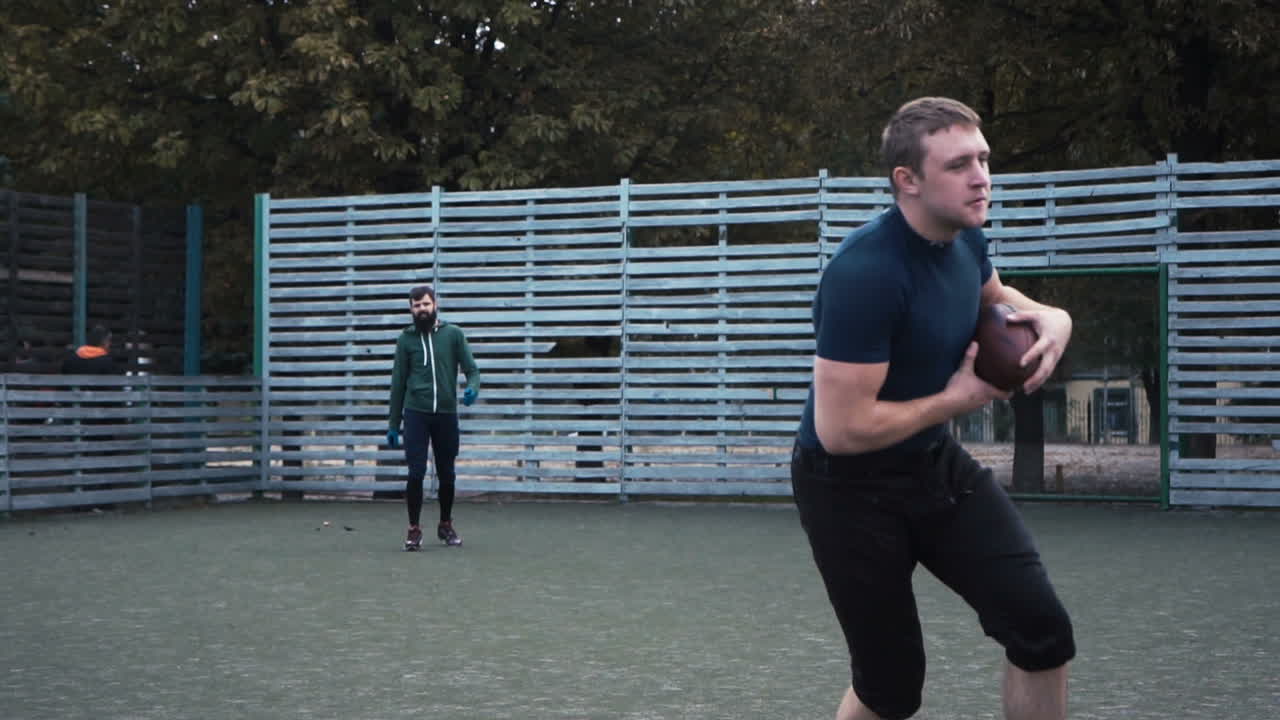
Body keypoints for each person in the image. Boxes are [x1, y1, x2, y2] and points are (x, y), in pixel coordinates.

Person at [790, 97, 1076, 720]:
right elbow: (840, 432)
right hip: (848, 489)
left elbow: (999, 297)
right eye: (958, 165)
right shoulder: (865, 274)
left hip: (932, 464)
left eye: (983, 159)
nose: (981, 176)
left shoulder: (966, 240)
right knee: (890, 686)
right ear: (908, 181)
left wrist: (1056, 316)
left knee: (1042, 631)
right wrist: (960, 399)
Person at [387, 285, 480, 550]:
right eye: (416, 306)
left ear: (435, 304)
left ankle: (446, 525)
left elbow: (472, 370)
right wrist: (394, 424)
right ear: (411, 309)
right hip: (416, 413)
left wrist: (472, 388)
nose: (422, 310)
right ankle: (414, 530)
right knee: (416, 472)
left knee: (447, 473)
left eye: (426, 304)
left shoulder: (453, 335)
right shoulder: (405, 340)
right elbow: (398, 383)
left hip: (446, 414)